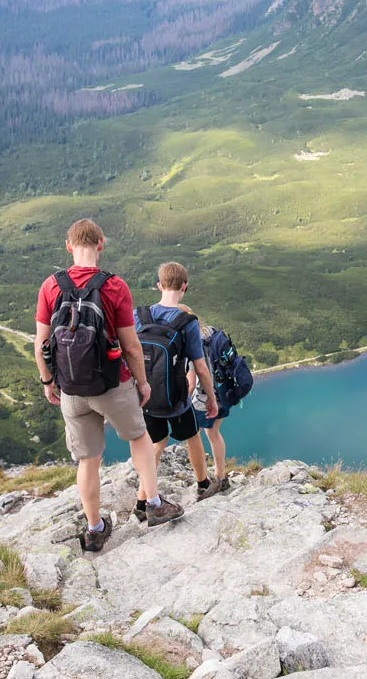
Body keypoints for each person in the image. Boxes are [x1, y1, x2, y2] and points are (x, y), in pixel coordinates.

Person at [35, 219, 183, 552]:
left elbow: (41, 341)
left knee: (88, 460)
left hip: (72, 389)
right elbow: (131, 346)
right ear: (101, 244)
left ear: (69, 246)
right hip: (112, 385)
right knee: (139, 437)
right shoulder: (114, 286)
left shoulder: (50, 286)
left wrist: (48, 380)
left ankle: (94, 528)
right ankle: (155, 503)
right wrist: (143, 383)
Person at [135, 261, 222, 520]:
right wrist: (211, 399)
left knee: (156, 443)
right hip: (177, 399)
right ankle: (204, 484)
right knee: (192, 436)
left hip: (146, 396)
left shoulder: (139, 315)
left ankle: (142, 502)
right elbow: (201, 369)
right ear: (185, 286)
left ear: (159, 285)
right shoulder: (187, 322)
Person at [189, 323, 231, 491]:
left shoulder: (190, 343)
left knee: (193, 437)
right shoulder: (212, 333)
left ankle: (202, 481)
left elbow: (191, 382)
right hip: (223, 392)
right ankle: (221, 475)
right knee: (213, 433)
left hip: (202, 399)